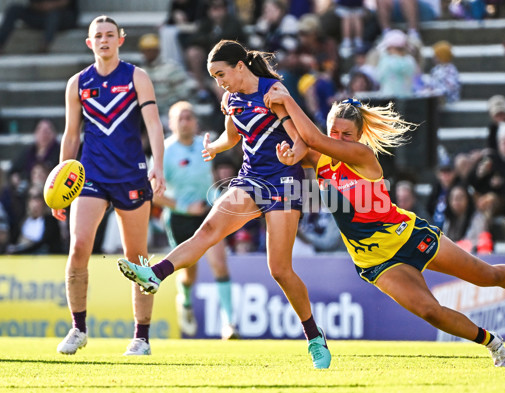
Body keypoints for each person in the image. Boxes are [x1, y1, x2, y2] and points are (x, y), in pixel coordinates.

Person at [262, 90, 505, 367]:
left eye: (346, 134)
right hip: (375, 261)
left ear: (359, 137)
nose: (339, 139)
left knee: (488, 277)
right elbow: (301, 143)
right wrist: (289, 150)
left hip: (407, 235)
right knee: (430, 312)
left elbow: (311, 138)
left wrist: (287, 100)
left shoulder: (362, 156)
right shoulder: (322, 157)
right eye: (335, 132)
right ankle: (492, 343)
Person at [116, 39, 331, 369]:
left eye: (221, 74)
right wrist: (214, 147)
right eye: (214, 77)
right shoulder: (231, 99)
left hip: (284, 183)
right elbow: (232, 137)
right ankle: (155, 275)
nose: (219, 83)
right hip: (250, 178)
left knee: (280, 270)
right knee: (208, 230)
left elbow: (300, 137)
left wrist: (294, 153)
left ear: (240, 67)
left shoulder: (272, 92)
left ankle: (314, 337)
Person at [54, 16, 166, 356]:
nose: (104, 40)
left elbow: (153, 124)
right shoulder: (77, 83)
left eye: (109, 35)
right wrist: (60, 182)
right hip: (91, 176)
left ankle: (141, 337)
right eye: (97, 36)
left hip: (131, 175)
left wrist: (157, 164)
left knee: (137, 258)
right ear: (89, 43)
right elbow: (72, 135)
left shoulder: (137, 77)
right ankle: (78, 328)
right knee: (78, 248)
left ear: (121, 39)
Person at [153, 100, 239, 339]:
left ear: (196, 121)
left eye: (189, 116)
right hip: (180, 218)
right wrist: (184, 207)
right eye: (180, 117)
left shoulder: (206, 145)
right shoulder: (165, 151)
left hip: (207, 213)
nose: (186, 121)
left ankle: (229, 324)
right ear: (171, 123)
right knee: (189, 272)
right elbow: (154, 195)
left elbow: (212, 178)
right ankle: (186, 300)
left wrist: (219, 197)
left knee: (219, 264)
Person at [138, 33, 199, 130]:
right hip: (149, 113)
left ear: (157, 50)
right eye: (146, 50)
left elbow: (184, 94)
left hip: (169, 111)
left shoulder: (171, 68)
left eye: (151, 50)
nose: (149, 53)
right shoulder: (140, 71)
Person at [0, 0, 79, 54]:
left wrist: (51, 5)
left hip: (63, 18)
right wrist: (43, 6)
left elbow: (66, 2)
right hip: (41, 17)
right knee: (13, 9)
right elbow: (33, 5)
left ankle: (45, 45)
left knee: (54, 15)